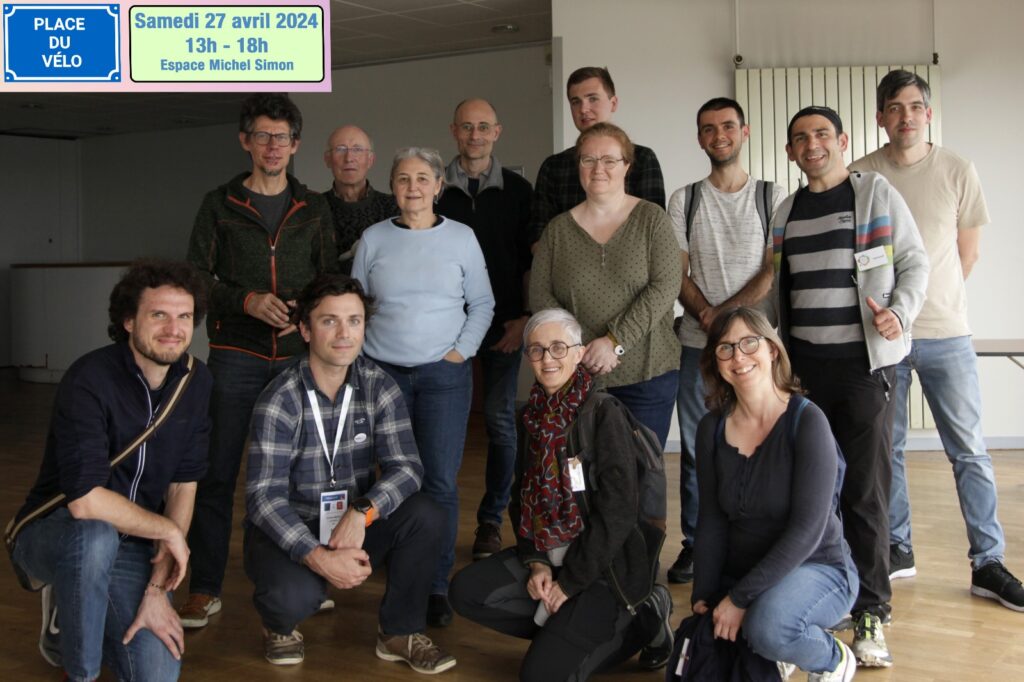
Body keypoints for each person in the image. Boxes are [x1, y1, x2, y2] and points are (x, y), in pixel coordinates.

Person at [849, 69, 1023, 612]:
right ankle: (897, 548)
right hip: (881, 341)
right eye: (894, 107)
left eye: (914, 106)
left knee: (969, 450)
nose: (905, 116)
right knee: (889, 450)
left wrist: (922, 307)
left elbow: (967, 254)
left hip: (946, 333)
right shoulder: (860, 175)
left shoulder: (957, 169)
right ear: (880, 117)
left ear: (928, 113)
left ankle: (988, 562)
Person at [774, 106, 929, 667]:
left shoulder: (875, 194)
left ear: (841, 142)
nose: (811, 144)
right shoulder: (786, 211)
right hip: (803, 377)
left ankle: (871, 611)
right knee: (813, 493)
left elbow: (914, 262)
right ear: (790, 152)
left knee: (864, 493)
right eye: (800, 138)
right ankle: (820, 600)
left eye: (821, 134)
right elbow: (777, 292)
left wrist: (899, 314)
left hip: (864, 371)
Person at [10, 260, 212, 681]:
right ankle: (79, 671)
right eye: (159, 315)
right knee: (95, 537)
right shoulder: (89, 378)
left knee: (156, 674)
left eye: (184, 317)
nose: (173, 329)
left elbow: (183, 485)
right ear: (128, 321)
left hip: (133, 543)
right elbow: (84, 503)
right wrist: (168, 531)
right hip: (54, 531)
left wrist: (156, 590)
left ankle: (80, 600)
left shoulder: (197, 382)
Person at [243, 274, 455, 673]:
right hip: (292, 525)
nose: (344, 334)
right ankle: (279, 625)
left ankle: (399, 633)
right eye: (329, 321)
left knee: (426, 515)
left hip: (352, 520)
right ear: (305, 330)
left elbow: (407, 467)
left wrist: (362, 512)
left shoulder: (379, 386)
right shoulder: (280, 398)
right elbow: (263, 498)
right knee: (292, 598)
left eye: (354, 321)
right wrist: (318, 557)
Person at [182, 93, 339, 628]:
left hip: (298, 358)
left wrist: (306, 313)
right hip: (235, 356)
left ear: (296, 145)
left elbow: (329, 278)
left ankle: (304, 578)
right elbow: (196, 277)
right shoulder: (218, 204)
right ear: (245, 141)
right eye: (263, 136)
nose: (273, 146)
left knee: (302, 478)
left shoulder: (312, 207)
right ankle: (204, 587)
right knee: (218, 473)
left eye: (282, 137)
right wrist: (245, 300)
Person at [449, 308, 673, 681]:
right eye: (537, 350)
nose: (547, 358)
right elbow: (521, 498)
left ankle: (646, 618)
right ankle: (566, 632)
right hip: (551, 552)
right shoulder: (530, 418)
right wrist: (537, 561)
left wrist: (569, 583)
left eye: (558, 347)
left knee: (540, 676)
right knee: (466, 592)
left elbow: (617, 513)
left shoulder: (603, 414)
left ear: (579, 353)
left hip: (605, 566)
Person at [352, 147, 494, 628]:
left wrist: (460, 353)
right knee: (389, 475)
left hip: (443, 377)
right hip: (382, 375)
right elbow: (354, 307)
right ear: (392, 186)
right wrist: (361, 362)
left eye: (422, 178)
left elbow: (482, 304)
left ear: (438, 186)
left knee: (438, 481)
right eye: (402, 178)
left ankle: (435, 584)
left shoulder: (462, 238)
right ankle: (393, 561)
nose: (412, 187)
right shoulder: (373, 239)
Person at [691, 307, 859, 682]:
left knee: (767, 628)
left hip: (817, 566)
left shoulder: (807, 421)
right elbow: (712, 519)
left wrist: (739, 599)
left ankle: (832, 659)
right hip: (748, 570)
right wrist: (704, 593)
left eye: (749, 343)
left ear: (772, 349)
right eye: (725, 348)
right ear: (715, 361)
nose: (738, 356)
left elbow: (808, 530)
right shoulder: (711, 428)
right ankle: (775, 638)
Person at [666, 97, 784, 586]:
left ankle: (756, 541)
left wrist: (729, 320)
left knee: (762, 444)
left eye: (728, 126)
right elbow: (676, 272)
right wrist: (710, 319)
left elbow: (772, 269)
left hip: (757, 349)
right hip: (698, 344)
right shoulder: (685, 199)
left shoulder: (772, 196)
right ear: (700, 138)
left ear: (744, 131)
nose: (719, 136)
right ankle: (696, 544)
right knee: (700, 449)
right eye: (709, 128)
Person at [436, 98, 533, 560]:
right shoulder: (435, 189)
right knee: (442, 426)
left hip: (503, 327)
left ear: (497, 132)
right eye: (467, 127)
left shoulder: (519, 191)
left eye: (483, 127)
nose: (475, 135)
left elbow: (532, 261)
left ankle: (491, 521)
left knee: (499, 421)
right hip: (445, 331)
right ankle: (435, 522)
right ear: (454, 131)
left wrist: (526, 317)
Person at [530, 66, 665, 245]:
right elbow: (540, 237)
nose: (583, 109)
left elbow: (654, 230)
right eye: (575, 102)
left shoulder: (643, 158)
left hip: (629, 260)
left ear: (613, 103)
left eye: (592, 99)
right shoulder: (553, 166)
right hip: (566, 262)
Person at [322, 124, 399, 272]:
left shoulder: (393, 208)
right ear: (327, 159)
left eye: (357, 149)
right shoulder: (315, 208)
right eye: (340, 149)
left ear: (370, 160)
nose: (349, 158)